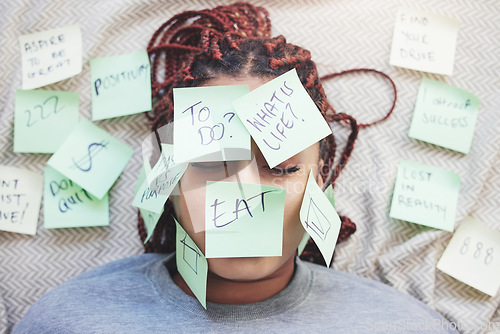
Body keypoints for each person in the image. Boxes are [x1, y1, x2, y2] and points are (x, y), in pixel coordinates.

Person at [14, 3, 459, 333]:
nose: (245, 198)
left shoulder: (403, 326)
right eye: (210, 163)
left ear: (321, 177)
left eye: (282, 168)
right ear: (166, 177)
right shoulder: (69, 321)